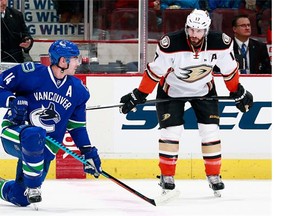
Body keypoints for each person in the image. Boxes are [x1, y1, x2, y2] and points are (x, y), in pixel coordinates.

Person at [119, 9, 253, 196]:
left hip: (204, 89)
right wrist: (138, 94)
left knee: (210, 131)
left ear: (206, 30)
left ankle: (214, 175)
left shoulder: (221, 43)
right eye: (191, 30)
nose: (194, 35)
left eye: (199, 31)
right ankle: (167, 176)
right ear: (186, 27)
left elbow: (229, 71)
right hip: (172, 90)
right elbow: (154, 72)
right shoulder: (170, 43)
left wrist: (237, 91)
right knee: (171, 132)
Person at [0, 40, 102, 207]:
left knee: (21, 198)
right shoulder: (29, 73)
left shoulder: (78, 90)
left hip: (46, 147)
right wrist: (11, 100)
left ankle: (15, 189)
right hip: (14, 132)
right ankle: (34, 188)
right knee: (35, 134)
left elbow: (76, 127)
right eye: (75, 58)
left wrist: (88, 152)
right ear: (63, 61)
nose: (79, 62)